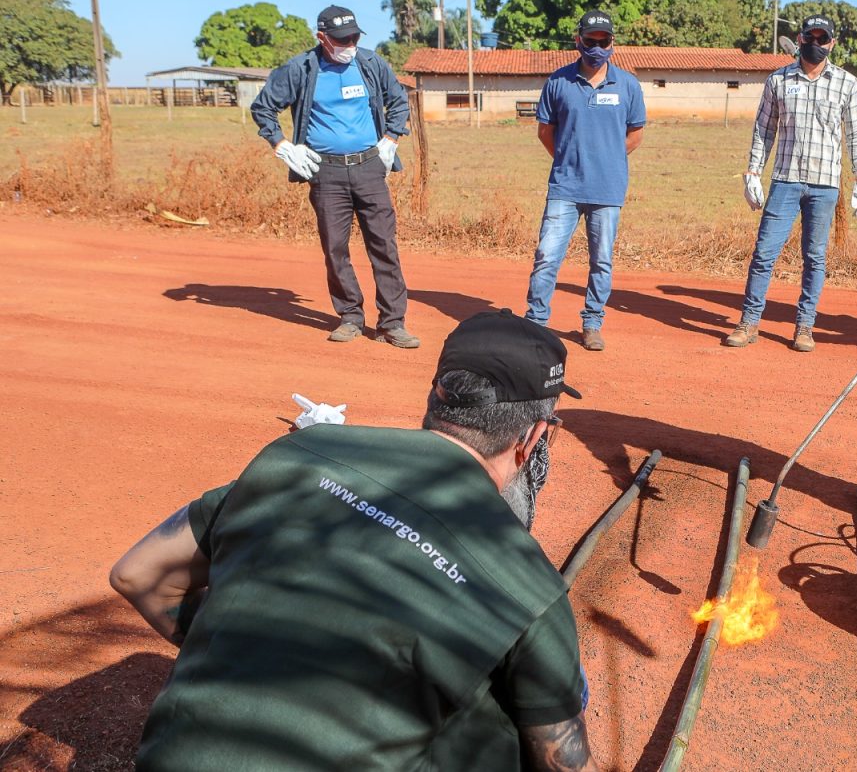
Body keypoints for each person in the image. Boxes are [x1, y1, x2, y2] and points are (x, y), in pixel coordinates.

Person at [110, 309, 598, 771]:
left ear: (437, 394)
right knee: (514, 716)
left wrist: (256, 649)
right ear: (534, 438)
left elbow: (137, 574)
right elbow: (564, 762)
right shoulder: (527, 584)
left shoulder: (301, 451)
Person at [250, 5, 418, 349]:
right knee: (335, 248)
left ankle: (392, 323)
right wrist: (282, 146)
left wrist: (390, 139)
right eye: (342, 39)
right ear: (322, 38)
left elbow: (399, 100)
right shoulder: (301, 69)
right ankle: (351, 317)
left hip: (370, 167)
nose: (350, 44)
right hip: (325, 173)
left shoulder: (371, 64)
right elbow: (263, 107)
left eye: (354, 37)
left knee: (384, 245)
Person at [726, 14, 857, 352]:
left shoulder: (847, 83)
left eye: (823, 39)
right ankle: (749, 322)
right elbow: (764, 129)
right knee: (764, 253)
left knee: (814, 257)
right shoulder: (778, 80)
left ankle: (805, 326)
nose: (816, 44)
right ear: (800, 39)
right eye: (810, 38)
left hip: (825, 186)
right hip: (785, 181)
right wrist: (752, 172)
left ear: (832, 43)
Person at [525, 10, 646, 352]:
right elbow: (545, 132)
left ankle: (592, 322)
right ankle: (535, 323)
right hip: (565, 187)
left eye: (602, 41)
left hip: (607, 190)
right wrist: (569, 158)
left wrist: (606, 159)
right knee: (547, 255)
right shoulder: (558, 82)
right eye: (590, 41)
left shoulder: (628, 85)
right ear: (578, 40)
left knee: (601, 260)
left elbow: (635, 134)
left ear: (613, 43)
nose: (596, 47)